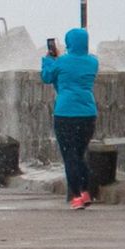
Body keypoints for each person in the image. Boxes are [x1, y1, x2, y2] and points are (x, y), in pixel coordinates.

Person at [41, 28, 99, 209]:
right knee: (80, 154)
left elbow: (47, 77)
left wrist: (48, 59)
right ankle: (86, 192)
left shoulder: (62, 62)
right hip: (88, 114)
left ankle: (76, 196)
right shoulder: (93, 62)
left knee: (70, 155)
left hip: (65, 113)